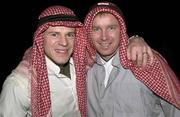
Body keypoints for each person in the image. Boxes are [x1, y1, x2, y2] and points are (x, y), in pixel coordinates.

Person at [0, 5, 154, 117]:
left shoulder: (83, 65)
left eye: (70, 35)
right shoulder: (19, 84)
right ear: (40, 38)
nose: (64, 43)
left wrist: (135, 38)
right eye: (54, 34)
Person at [84, 1, 180, 117]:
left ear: (122, 30)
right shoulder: (83, 67)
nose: (104, 37)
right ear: (89, 33)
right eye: (96, 29)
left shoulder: (145, 60)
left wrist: (136, 38)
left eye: (111, 28)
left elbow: (175, 109)